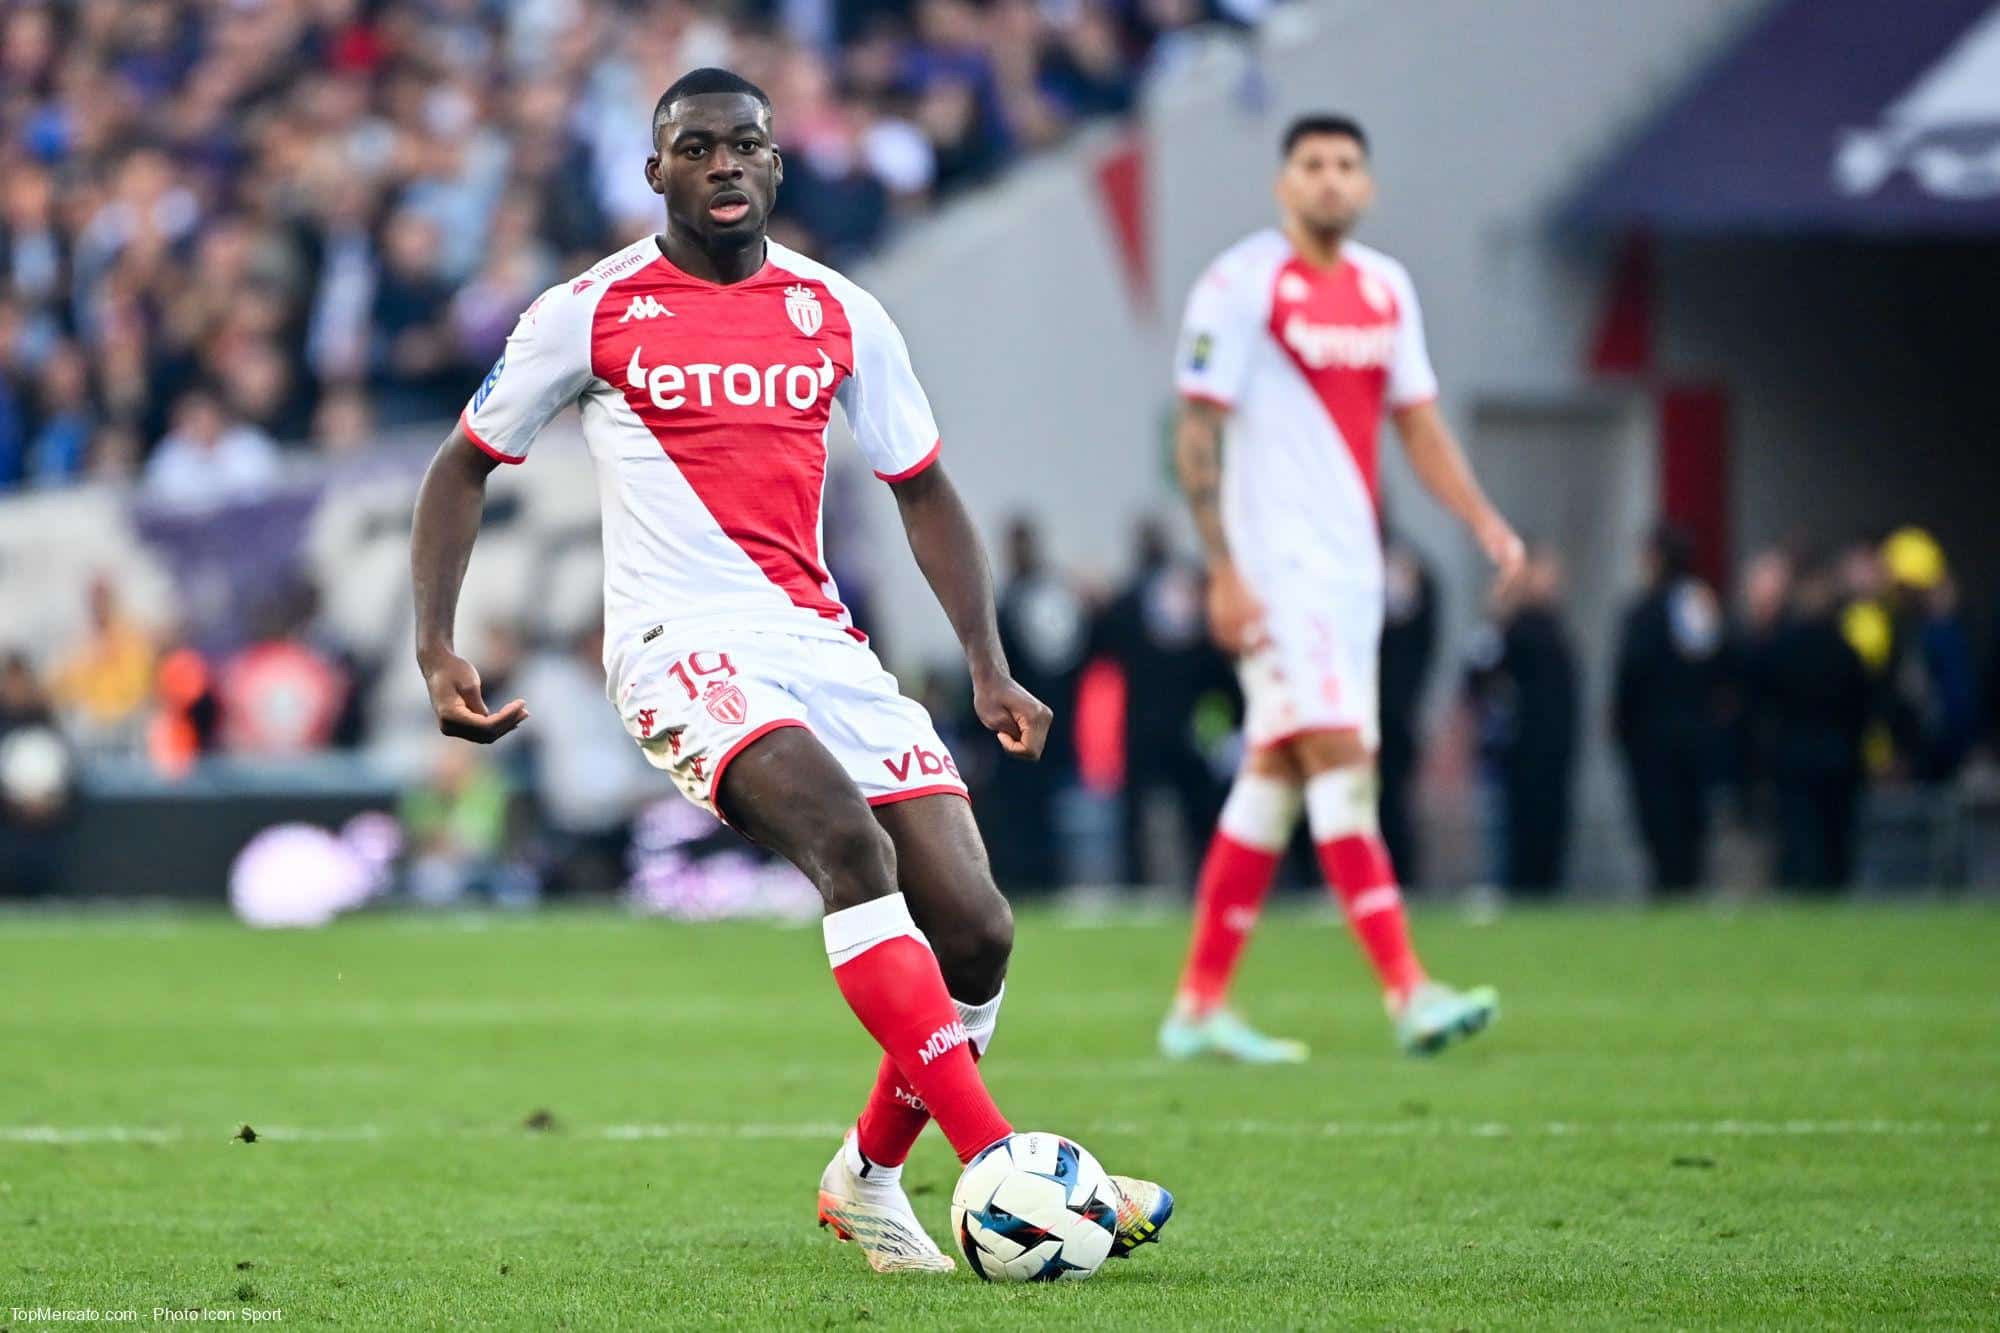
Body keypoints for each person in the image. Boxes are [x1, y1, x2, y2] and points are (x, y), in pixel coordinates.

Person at [406, 69, 1170, 1276]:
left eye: (745, 145)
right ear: (654, 171)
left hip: (821, 643)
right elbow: (462, 464)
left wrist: (986, 664)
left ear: (775, 164)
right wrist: (436, 643)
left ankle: (864, 1178)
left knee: (974, 931)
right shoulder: (588, 310)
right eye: (695, 147)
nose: (723, 164)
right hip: (674, 645)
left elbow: (918, 485)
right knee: (848, 849)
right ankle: (1003, 1165)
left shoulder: (842, 311)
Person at [1159, 114, 1521, 1063]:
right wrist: (1224, 566)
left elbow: (1420, 425)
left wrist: (1480, 518)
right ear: (1285, 183)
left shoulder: (1386, 289)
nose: (1330, 181)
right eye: (1312, 165)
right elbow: (1195, 430)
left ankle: (1198, 1006)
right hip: (1276, 569)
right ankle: (1409, 989)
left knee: (1273, 776)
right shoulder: (1242, 284)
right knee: (1341, 754)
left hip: (1352, 570)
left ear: (1368, 185)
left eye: (1347, 165)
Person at [1090, 518, 1231, 887]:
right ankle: (1165, 881)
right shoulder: (1184, 593)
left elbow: (1102, 646)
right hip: (1167, 722)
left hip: (1163, 722)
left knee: (1184, 810)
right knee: (1162, 810)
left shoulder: (1138, 597)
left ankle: (1170, 881)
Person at [1612, 525, 1723, 895]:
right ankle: (1687, 886)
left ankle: (1668, 887)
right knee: (1691, 825)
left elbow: (1632, 673)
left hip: (1654, 738)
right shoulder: (1701, 603)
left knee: (1661, 825)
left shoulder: (1644, 612)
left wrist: (1620, 726)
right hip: (1698, 735)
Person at [1464, 544, 1578, 895]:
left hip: (1553, 745)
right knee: (1515, 826)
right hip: (1518, 746)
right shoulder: (1511, 629)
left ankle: (1545, 887)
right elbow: (1477, 677)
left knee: (1549, 825)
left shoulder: (1555, 628)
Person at [1755, 555, 1870, 891]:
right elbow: (1861, 706)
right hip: (1837, 755)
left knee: (1801, 836)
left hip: (1796, 756)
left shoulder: (1782, 649)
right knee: (1834, 839)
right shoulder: (1845, 651)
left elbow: (1763, 700)